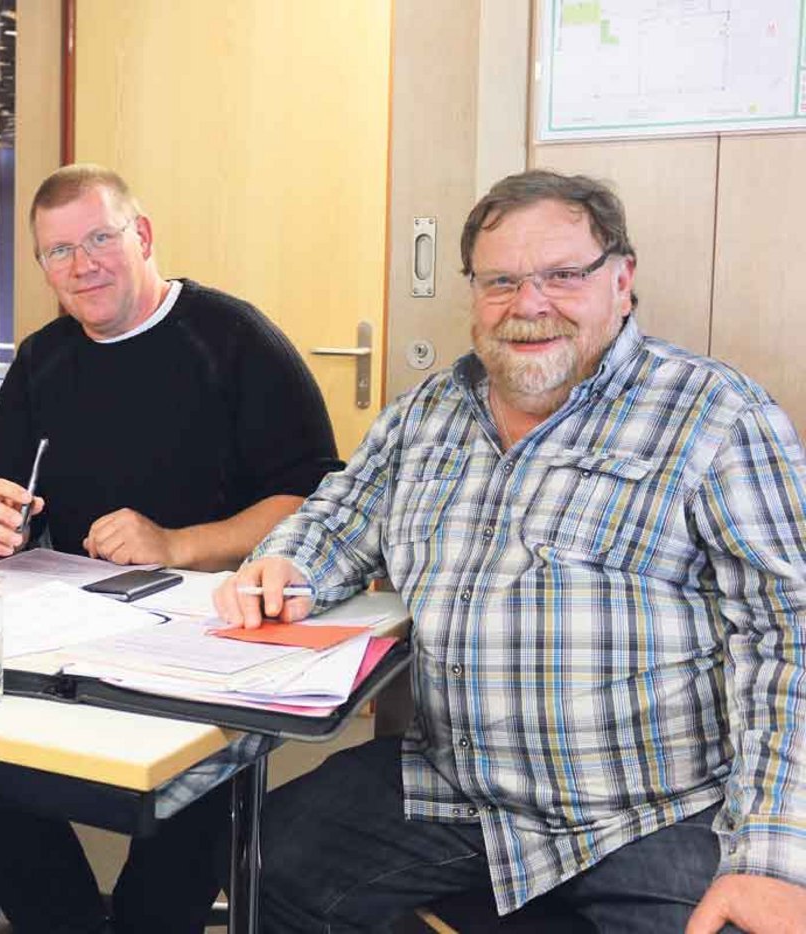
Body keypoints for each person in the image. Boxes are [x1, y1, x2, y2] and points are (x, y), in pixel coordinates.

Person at [215, 170, 806, 933]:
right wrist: (287, 564)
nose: (529, 305)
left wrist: (771, 852)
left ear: (621, 281)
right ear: (473, 293)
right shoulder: (427, 411)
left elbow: (789, 634)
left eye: (562, 275)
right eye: (501, 281)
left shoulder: (717, 416)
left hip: (653, 806)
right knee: (260, 860)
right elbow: (337, 517)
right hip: (453, 786)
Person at [0, 164, 341, 933]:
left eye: (101, 238)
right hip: (77, 618)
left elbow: (319, 501)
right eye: (58, 252)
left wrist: (178, 543)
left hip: (222, 627)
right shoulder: (43, 356)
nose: (82, 264)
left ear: (145, 236)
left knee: (192, 798)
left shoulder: (235, 341)